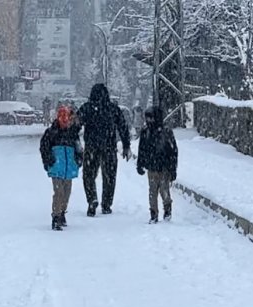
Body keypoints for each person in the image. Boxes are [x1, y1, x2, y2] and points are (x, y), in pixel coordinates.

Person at [77, 84, 131, 216]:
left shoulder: (87, 108)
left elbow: (76, 125)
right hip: (109, 147)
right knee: (110, 176)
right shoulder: (113, 109)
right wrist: (126, 145)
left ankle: (92, 199)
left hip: (91, 146)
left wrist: (73, 142)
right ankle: (106, 204)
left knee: (88, 175)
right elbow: (123, 127)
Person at [40, 105, 82, 231]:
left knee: (66, 192)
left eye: (66, 117)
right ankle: (56, 216)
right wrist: (48, 160)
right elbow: (44, 147)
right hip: (56, 167)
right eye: (62, 117)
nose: (65, 120)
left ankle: (62, 212)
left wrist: (79, 159)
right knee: (59, 192)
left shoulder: (72, 133)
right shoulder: (51, 132)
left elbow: (79, 149)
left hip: (69, 168)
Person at [136, 106, 178, 223]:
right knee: (152, 191)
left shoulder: (166, 132)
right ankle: (153, 213)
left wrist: (173, 168)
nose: (148, 121)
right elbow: (142, 149)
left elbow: (173, 151)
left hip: (164, 167)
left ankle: (167, 209)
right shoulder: (146, 132)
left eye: (151, 118)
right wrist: (140, 164)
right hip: (152, 167)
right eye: (147, 118)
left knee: (164, 190)